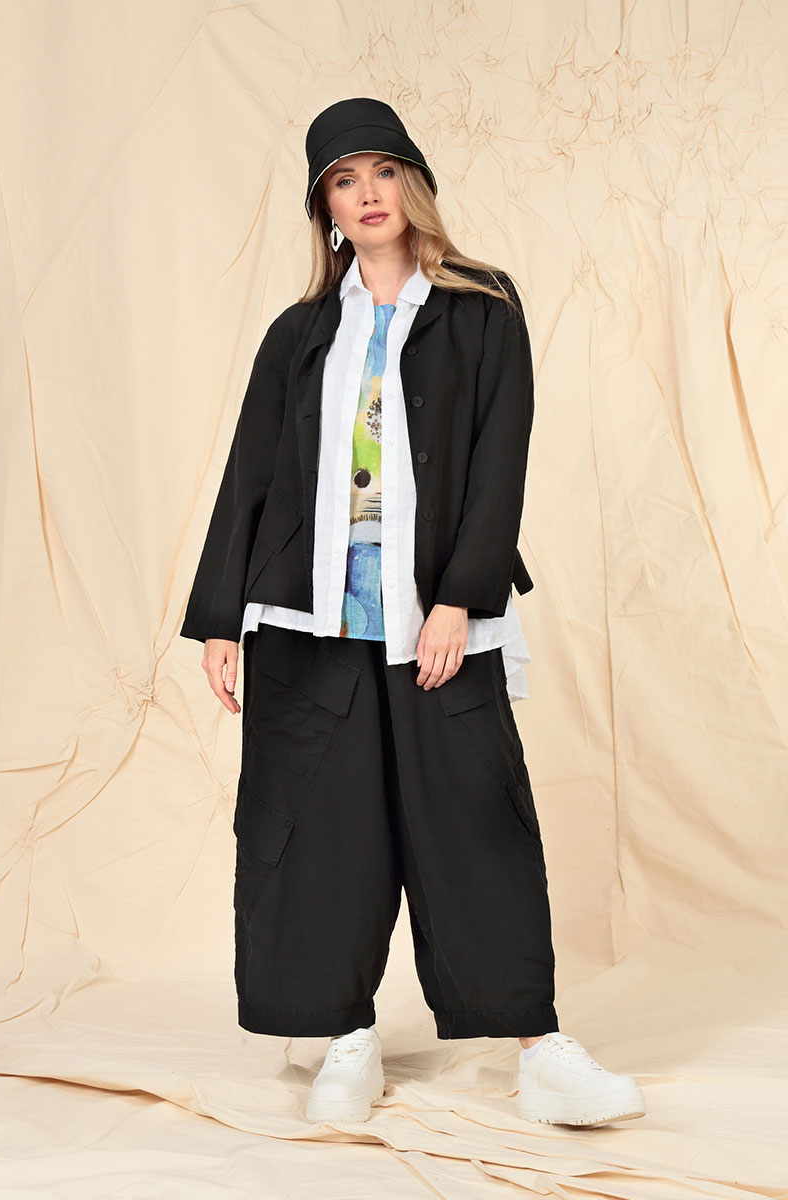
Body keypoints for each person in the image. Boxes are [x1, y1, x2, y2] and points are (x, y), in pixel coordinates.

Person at [180, 97, 646, 1128]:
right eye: (343, 182)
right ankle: (345, 1038)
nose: (366, 195)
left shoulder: (483, 308)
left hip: (434, 616)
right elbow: (250, 476)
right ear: (326, 210)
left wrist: (458, 599)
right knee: (319, 833)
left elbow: (498, 463)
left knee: (476, 819)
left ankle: (539, 1051)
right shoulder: (299, 334)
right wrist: (220, 618)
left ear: (412, 182)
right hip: (307, 624)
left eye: (381, 171)